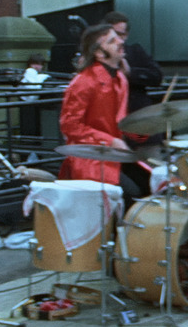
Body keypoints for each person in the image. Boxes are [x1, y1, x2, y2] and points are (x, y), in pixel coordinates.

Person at [59, 24, 140, 204]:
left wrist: (146, 130)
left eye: (118, 37)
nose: (120, 42)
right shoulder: (83, 82)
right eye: (112, 40)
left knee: (151, 184)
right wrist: (110, 141)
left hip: (114, 155)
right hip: (91, 160)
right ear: (99, 53)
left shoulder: (120, 78)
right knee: (132, 194)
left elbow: (119, 121)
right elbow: (70, 126)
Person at [102, 11, 164, 196]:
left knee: (152, 177)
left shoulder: (135, 51)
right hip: (114, 132)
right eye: (113, 35)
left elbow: (156, 76)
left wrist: (131, 73)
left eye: (121, 35)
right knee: (123, 187)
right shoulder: (100, 59)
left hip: (140, 125)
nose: (118, 40)